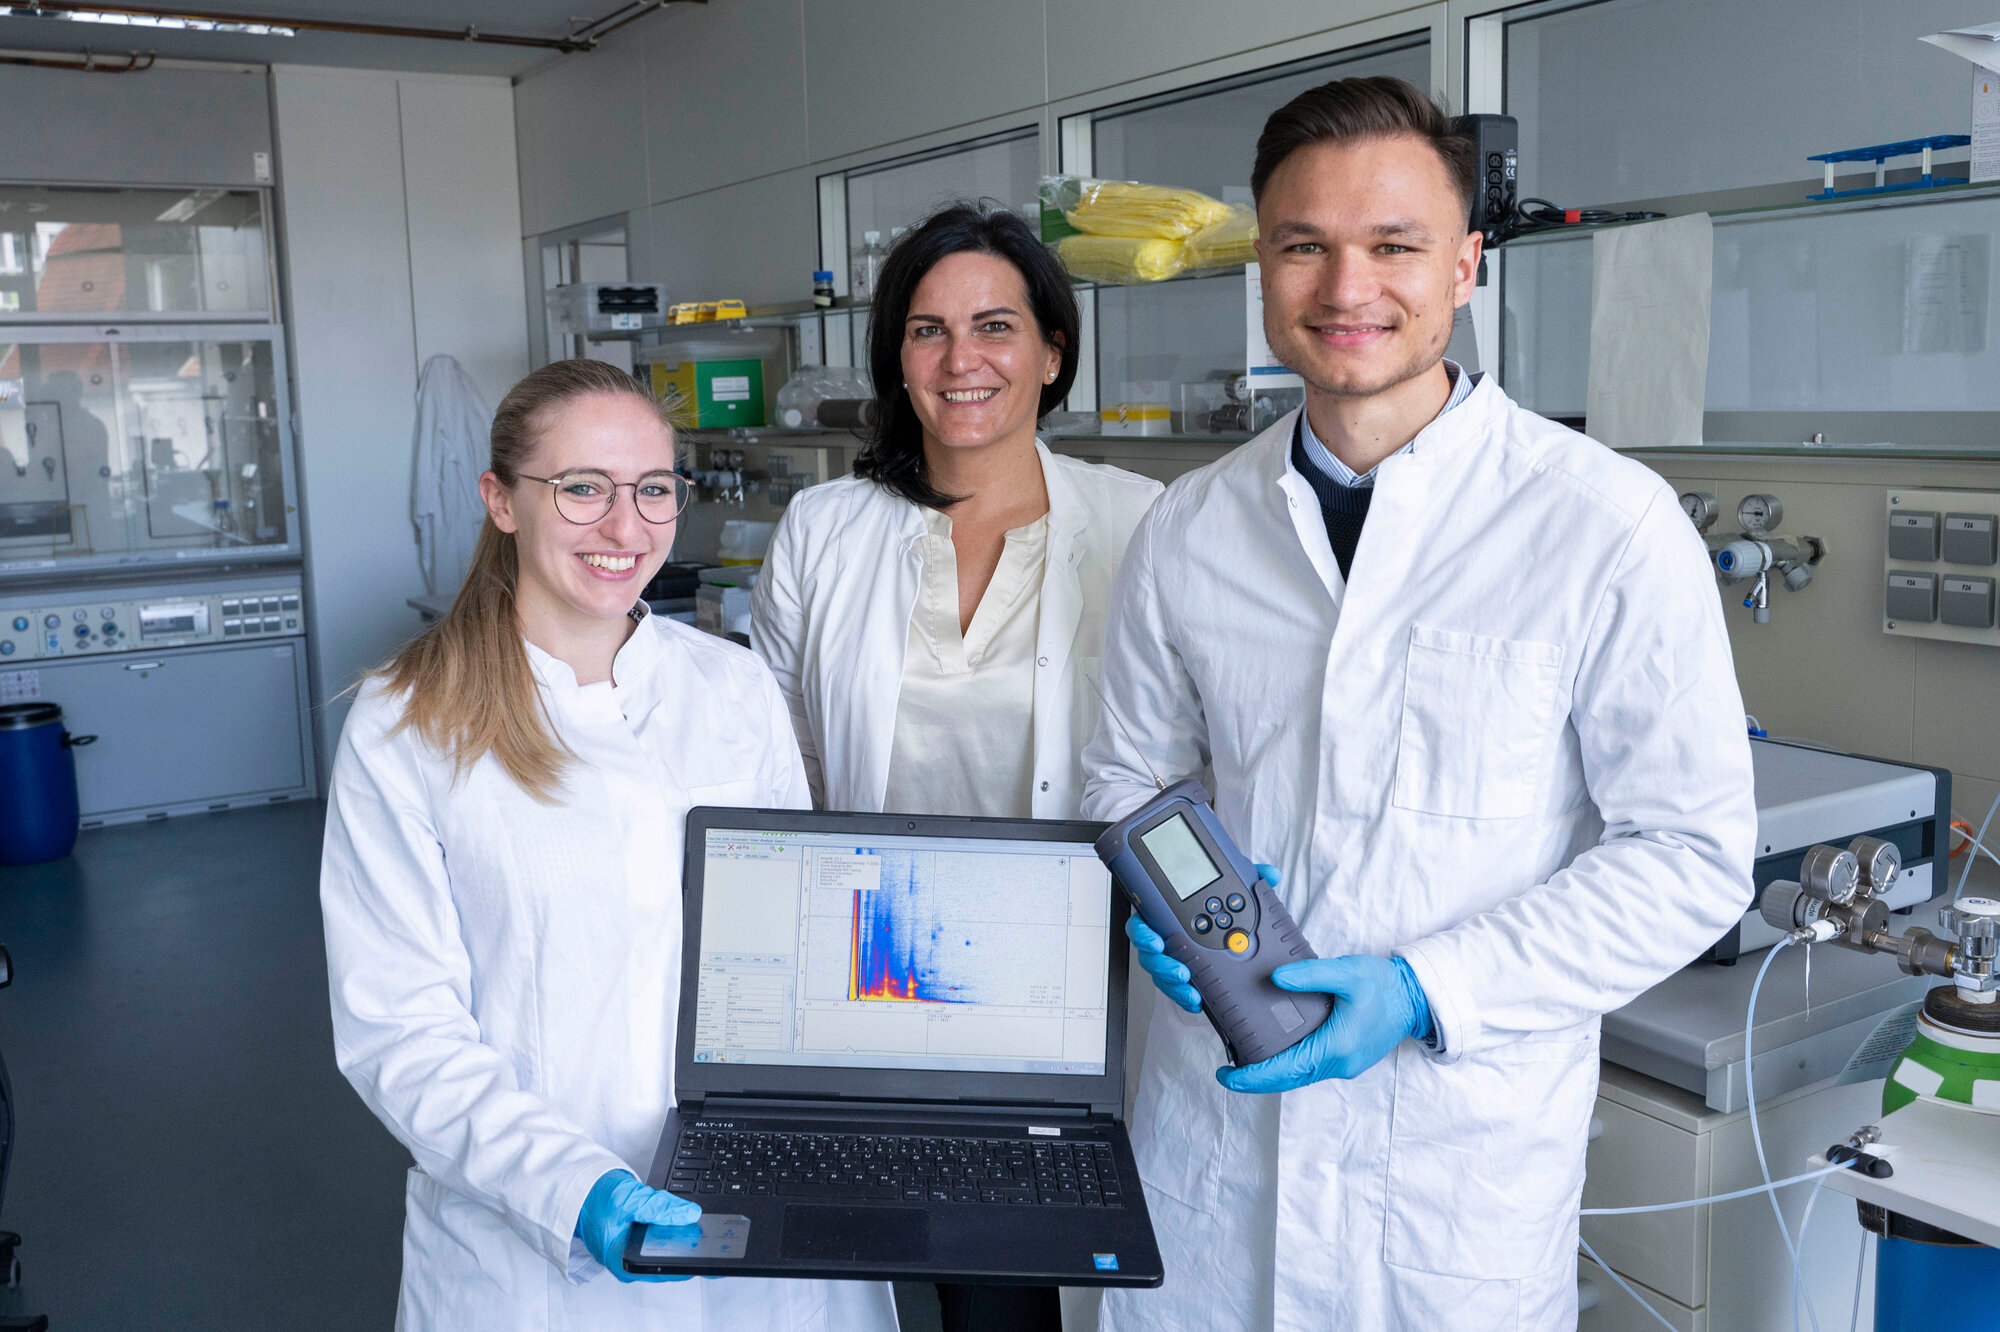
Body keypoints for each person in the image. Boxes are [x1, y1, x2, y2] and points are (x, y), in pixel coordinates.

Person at [1084, 77, 1756, 1332]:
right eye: (1303, 247)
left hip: (1447, 1180)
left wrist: (1420, 985)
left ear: (1462, 267)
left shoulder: (1601, 525)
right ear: (1263, 270)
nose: (1346, 290)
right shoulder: (1188, 528)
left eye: (1393, 246)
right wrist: (1179, 924)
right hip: (1211, 1161)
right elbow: (1129, 780)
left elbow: (1688, 856)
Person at [319, 358, 897, 1332]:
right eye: (582, 488)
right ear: (500, 499)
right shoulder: (406, 722)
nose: (625, 528)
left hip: (761, 1217)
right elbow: (401, 1029)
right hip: (529, 1245)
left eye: (653, 489)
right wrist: (573, 1190)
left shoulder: (731, 689)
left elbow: (803, 956)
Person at [750, 203, 1161, 1331]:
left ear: (1051, 351)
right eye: (925, 331)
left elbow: (1187, 763)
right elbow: (771, 768)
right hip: (861, 973)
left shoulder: (1142, 527)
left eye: (993, 325)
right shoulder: (825, 527)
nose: (960, 359)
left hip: (1057, 990)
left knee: (1007, 1291)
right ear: (896, 357)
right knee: (846, 1271)